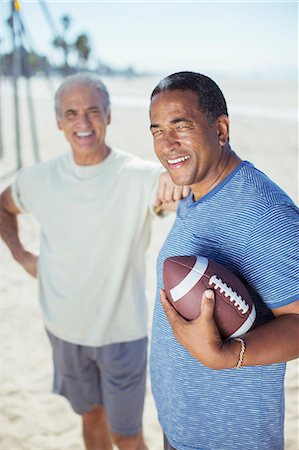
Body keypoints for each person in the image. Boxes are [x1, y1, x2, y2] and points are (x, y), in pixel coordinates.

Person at [0, 72, 189, 450]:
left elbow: (174, 194)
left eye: (92, 111)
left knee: (127, 436)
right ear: (58, 121)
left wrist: (177, 185)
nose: (82, 123)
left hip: (122, 336)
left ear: (108, 115)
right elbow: (5, 206)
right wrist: (22, 256)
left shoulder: (139, 176)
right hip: (64, 330)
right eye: (71, 113)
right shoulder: (39, 178)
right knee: (91, 419)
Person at [149, 71, 299, 450]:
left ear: (220, 129)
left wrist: (226, 355)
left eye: (180, 126)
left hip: (230, 438)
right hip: (179, 426)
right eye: (157, 131)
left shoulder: (267, 215)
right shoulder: (195, 188)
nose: (167, 144)